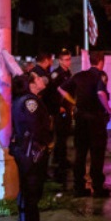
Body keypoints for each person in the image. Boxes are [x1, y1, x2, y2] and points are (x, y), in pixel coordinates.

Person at [59, 51, 111, 197]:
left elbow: (61, 89)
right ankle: (97, 187)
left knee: (81, 153)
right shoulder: (99, 76)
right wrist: (108, 109)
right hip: (95, 120)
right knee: (97, 153)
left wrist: (73, 102)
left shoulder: (78, 76)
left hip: (81, 119)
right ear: (101, 62)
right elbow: (101, 94)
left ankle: (79, 187)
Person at [10, 67, 53, 221]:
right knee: (32, 190)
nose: (44, 81)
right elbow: (35, 128)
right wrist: (45, 143)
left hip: (25, 150)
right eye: (40, 78)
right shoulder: (30, 102)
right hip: (32, 152)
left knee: (28, 189)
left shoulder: (24, 99)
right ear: (33, 81)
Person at [44, 49, 75, 185]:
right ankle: (61, 160)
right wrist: (58, 106)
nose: (68, 62)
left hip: (67, 107)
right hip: (60, 108)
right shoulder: (56, 74)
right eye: (66, 59)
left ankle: (60, 158)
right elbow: (52, 93)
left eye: (69, 59)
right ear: (60, 61)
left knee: (65, 133)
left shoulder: (68, 73)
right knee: (61, 134)